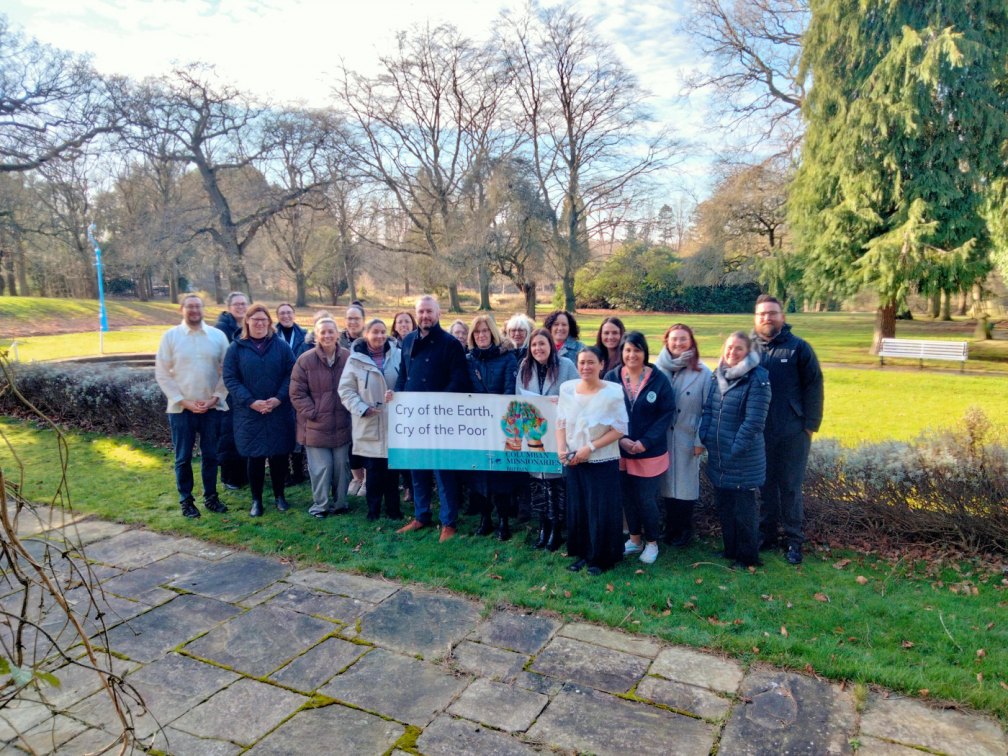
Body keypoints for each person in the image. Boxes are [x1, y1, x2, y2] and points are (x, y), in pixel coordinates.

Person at [389, 295, 471, 541]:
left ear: (438, 314)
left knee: (442, 471)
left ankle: (449, 522)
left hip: (441, 418)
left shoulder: (450, 343)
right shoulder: (408, 340)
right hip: (414, 418)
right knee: (418, 469)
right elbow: (404, 375)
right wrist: (399, 399)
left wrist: (436, 406)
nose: (425, 316)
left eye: (429, 312)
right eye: (421, 312)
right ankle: (421, 515)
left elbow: (459, 381)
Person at [752, 294, 824, 565]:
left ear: (782, 317)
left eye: (772, 313)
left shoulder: (798, 348)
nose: (767, 318)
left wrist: (809, 426)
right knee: (764, 486)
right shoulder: (747, 349)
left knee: (790, 488)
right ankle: (766, 535)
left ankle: (794, 541)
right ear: (755, 318)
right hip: (759, 432)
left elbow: (814, 386)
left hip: (793, 432)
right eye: (762, 314)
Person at [698, 332, 771, 569]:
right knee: (726, 508)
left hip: (742, 458)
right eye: (729, 347)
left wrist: (735, 448)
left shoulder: (758, 379)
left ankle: (748, 557)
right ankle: (730, 550)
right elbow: (708, 409)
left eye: (739, 348)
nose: (732, 352)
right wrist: (707, 437)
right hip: (719, 456)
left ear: (748, 352)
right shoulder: (717, 376)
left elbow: (754, 422)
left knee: (745, 512)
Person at [155, 295, 231, 519]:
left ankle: (211, 497)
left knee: (211, 456)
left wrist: (215, 398)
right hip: (181, 409)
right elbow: (162, 373)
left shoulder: (217, 336)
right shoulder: (170, 337)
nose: (194, 310)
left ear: (203, 309)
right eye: (190, 306)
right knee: (183, 457)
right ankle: (186, 500)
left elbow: (227, 371)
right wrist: (183, 400)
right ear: (182, 309)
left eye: (198, 306)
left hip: (211, 408)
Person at [603, 332, 675, 566]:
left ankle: (652, 543)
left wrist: (645, 441)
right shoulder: (612, 377)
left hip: (649, 452)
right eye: (627, 350)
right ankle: (635, 539)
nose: (632, 355)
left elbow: (666, 414)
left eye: (637, 350)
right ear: (621, 353)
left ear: (645, 352)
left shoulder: (658, 379)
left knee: (645, 499)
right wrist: (621, 439)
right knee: (628, 498)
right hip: (621, 449)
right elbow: (605, 411)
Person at [556, 347, 627, 575]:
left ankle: (602, 558)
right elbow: (561, 423)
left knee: (601, 508)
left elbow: (620, 429)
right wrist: (561, 450)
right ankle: (583, 554)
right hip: (575, 460)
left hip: (602, 460)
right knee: (579, 508)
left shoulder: (612, 392)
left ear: (601, 364)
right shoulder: (567, 389)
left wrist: (590, 447)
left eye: (591, 362)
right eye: (582, 362)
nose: (586, 367)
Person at [222, 303, 297, 517]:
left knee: (280, 456)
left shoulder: (281, 346)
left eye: (264, 319)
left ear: (269, 322)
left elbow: (291, 374)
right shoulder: (236, 348)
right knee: (254, 457)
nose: (260, 323)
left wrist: (278, 399)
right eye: (255, 319)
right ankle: (256, 500)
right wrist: (251, 401)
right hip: (249, 413)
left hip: (278, 411)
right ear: (247, 321)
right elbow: (230, 379)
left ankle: (279, 496)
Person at [517, 328, 578, 550]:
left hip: (558, 435)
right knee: (538, 484)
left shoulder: (566, 367)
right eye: (534, 345)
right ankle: (543, 527)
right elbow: (518, 399)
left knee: (555, 483)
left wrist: (561, 401)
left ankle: (556, 530)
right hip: (534, 436)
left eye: (542, 344)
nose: (538, 349)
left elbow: (579, 396)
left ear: (550, 345)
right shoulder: (524, 368)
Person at [338, 318, 403, 521]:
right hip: (368, 421)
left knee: (393, 470)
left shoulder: (398, 355)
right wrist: (362, 408)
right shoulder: (354, 359)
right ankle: (373, 510)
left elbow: (406, 381)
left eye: (383, 332)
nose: (380, 336)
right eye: (375, 332)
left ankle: (393, 509)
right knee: (373, 471)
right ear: (366, 334)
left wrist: (398, 394)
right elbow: (346, 390)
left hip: (394, 422)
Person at [654, 324, 712, 547]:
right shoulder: (658, 369)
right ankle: (669, 527)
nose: (678, 344)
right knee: (666, 484)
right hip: (663, 437)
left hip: (688, 436)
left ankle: (684, 530)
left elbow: (708, 409)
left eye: (683, 339)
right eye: (674, 339)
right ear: (666, 341)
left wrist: (700, 441)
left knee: (686, 487)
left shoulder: (703, 372)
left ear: (691, 342)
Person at [290, 316, 354, 518]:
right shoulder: (305, 360)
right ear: (316, 335)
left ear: (337, 334)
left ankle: (341, 504)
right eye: (322, 332)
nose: (327, 335)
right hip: (315, 426)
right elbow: (296, 393)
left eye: (330, 331)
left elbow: (358, 386)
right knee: (321, 468)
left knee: (341, 469)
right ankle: (321, 506)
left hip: (342, 424)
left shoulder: (348, 357)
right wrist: (313, 413)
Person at [465, 314, 519, 540]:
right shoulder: (468, 360)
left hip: (500, 425)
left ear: (493, 333)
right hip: (476, 426)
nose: (481, 335)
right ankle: (485, 518)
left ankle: (503, 521)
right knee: (480, 474)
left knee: (500, 475)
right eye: (477, 332)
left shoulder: (508, 358)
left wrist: (499, 419)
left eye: (485, 331)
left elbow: (509, 392)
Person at [214, 292, 249, 489]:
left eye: (243, 304)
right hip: (226, 388)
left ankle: (243, 473)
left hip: (244, 387)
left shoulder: (248, 326)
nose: (240, 307)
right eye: (236, 304)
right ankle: (229, 476)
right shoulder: (221, 329)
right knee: (227, 434)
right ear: (229, 307)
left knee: (242, 432)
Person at [275, 303, 308, 486]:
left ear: (294, 314)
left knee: (298, 430)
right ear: (277, 316)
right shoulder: (272, 336)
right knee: (282, 431)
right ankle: (284, 472)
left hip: (299, 387)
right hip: (279, 388)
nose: (286, 316)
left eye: (289, 312)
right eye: (282, 313)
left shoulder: (304, 336)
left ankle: (298, 471)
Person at [340, 304, 368, 497]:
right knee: (351, 441)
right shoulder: (338, 340)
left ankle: (367, 479)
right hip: (344, 396)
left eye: (356, 318)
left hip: (365, 396)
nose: (353, 322)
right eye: (350, 318)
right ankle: (356, 477)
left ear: (363, 321)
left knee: (365, 439)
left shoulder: (369, 339)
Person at [390, 310, 417, 503]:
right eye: (400, 322)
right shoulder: (389, 346)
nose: (403, 325)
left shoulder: (417, 342)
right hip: (397, 402)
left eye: (407, 321)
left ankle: (415, 486)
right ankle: (407, 485)